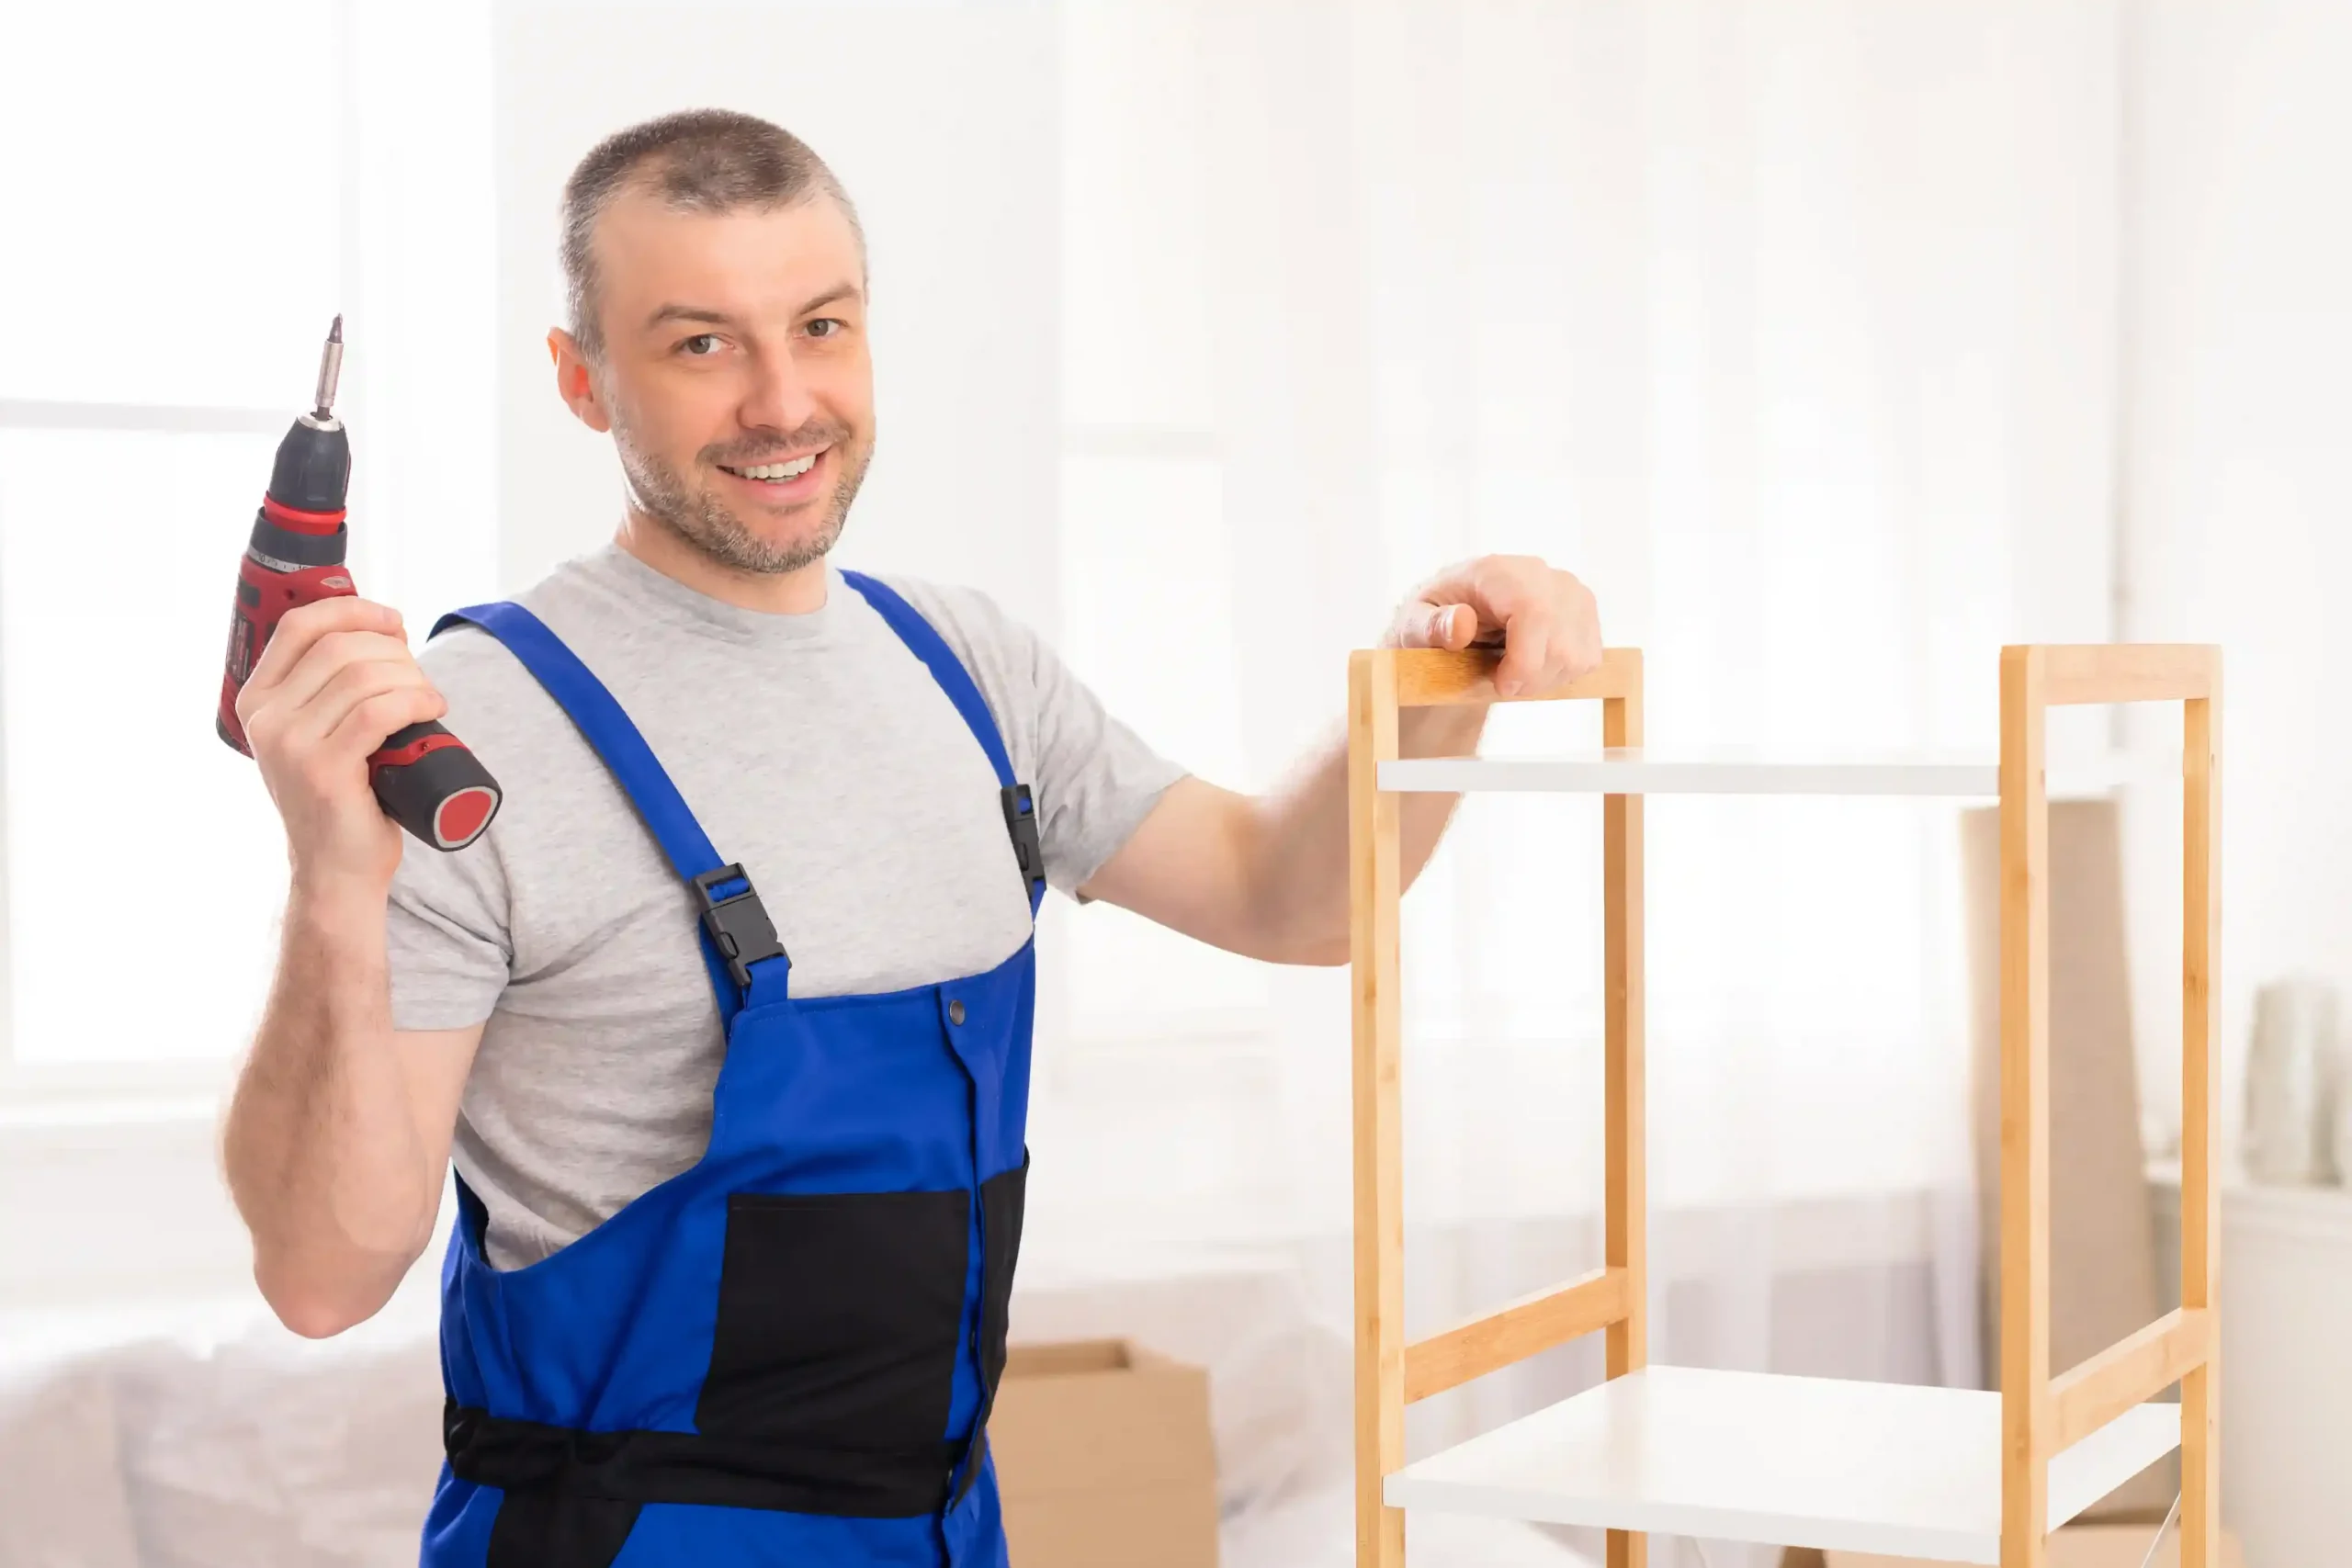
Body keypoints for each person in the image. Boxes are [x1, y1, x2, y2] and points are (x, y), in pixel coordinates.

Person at [220, 108, 1600, 1568]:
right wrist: (331, 882)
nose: (781, 399)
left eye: (820, 326)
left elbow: (1294, 897)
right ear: (581, 379)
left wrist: (1430, 679)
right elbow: (322, 1274)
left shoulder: (964, 668)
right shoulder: (468, 739)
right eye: (700, 344)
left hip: (941, 1532)